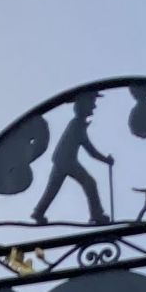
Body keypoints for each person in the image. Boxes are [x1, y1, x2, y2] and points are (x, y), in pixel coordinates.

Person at [30, 95, 113, 224]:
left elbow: (89, 150)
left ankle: (38, 212)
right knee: (90, 183)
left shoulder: (77, 124)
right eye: (92, 103)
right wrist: (105, 160)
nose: (94, 106)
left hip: (63, 160)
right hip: (66, 161)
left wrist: (105, 160)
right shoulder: (77, 125)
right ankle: (96, 214)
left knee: (53, 189)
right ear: (84, 106)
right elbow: (90, 150)